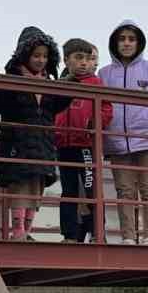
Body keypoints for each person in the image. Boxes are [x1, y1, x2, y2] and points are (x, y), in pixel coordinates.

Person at [100, 21, 148, 246]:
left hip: (147, 140)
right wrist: (102, 141)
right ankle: (128, 237)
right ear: (115, 43)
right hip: (116, 141)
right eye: (122, 39)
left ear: (138, 43)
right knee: (124, 192)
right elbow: (99, 108)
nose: (127, 43)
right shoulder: (104, 73)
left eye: (131, 39)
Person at [0, 27, 71, 241]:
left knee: (37, 188)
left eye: (45, 56)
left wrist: (70, 87)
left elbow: (56, 106)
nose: (40, 60)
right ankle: (17, 231)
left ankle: (26, 231)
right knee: (19, 187)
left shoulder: (49, 82)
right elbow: (1, 104)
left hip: (43, 143)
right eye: (36, 55)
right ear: (25, 54)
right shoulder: (12, 78)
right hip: (17, 143)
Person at [53, 38, 113, 243]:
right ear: (66, 60)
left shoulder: (96, 83)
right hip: (64, 144)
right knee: (68, 190)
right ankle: (69, 235)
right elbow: (51, 109)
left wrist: (94, 124)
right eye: (78, 58)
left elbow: (107, 109)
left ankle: (98, 233)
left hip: (86, 144)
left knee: (91, 188)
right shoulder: (60, 84)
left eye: (88, 59)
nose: (84, 63)